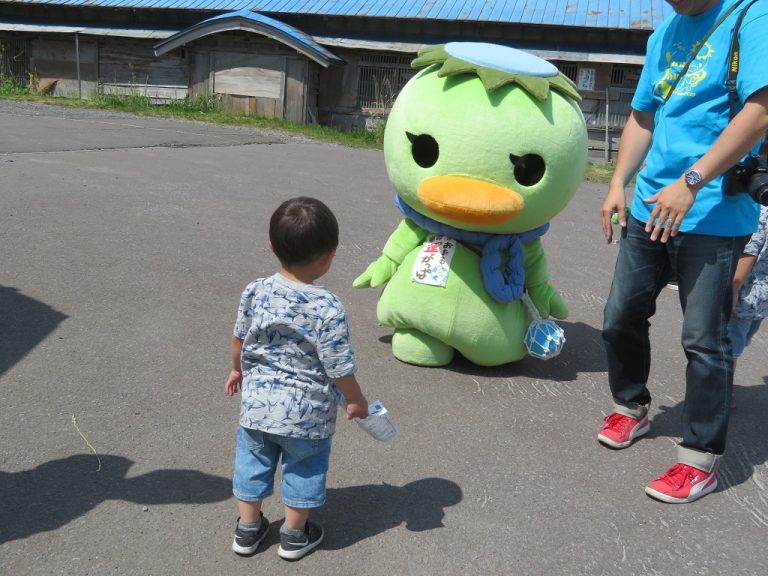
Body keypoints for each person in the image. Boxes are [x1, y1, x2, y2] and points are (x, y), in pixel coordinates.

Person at [598, 0, 768, 504]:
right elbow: (642, 117)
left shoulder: (751, 15)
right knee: (619, 316)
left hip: (714, 214)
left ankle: (700, 459)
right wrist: (616, 183)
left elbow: (760, 111)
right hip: (652, 203)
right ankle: (631, 407)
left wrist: (692, 181)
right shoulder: (665, 33)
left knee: (704, 340)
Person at [225, 196, 369, 559]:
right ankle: (293, 535)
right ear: (329, 256)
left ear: (272, 245)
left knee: (252, 463)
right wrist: (355, 399)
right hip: (308, 414)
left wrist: (237, 369)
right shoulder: (328, 307)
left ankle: (247, 530)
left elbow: (239, 337)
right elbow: (338, 366)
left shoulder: (255, 289)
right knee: (303, 467)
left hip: (257, 406)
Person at [729, 205, 768, 364]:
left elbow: (749, 252)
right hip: (762, 302)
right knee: (737, 345)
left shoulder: (762, 213)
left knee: (727, 353)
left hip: (744, 296)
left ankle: (721, 388)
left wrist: (733, 289)